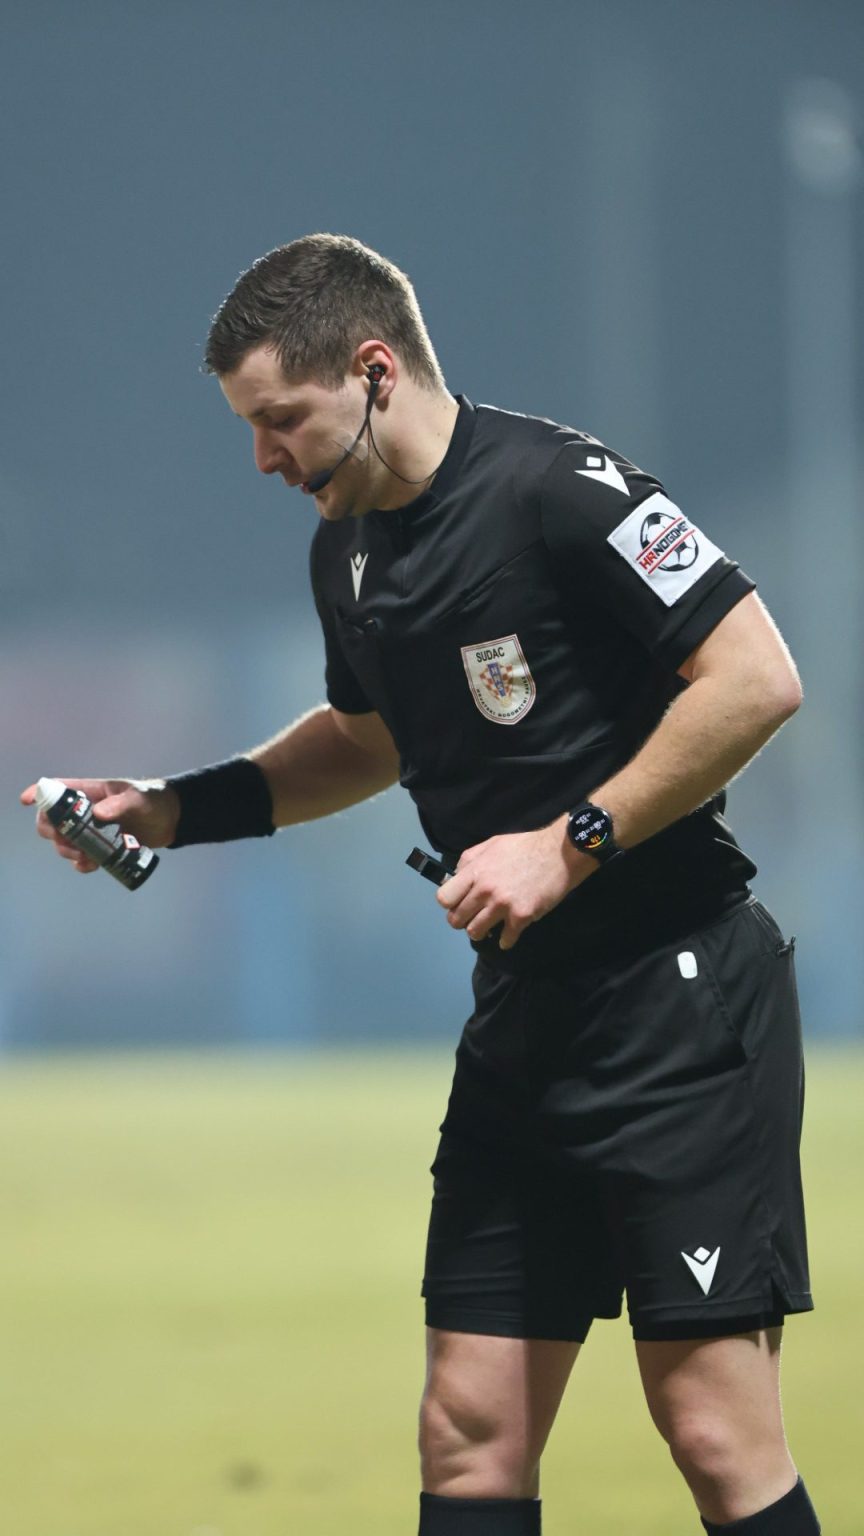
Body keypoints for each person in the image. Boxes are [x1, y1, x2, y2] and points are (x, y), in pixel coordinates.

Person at [22, 234, 820, 1536]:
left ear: (374, 371)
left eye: (282, 419)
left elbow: (756, 678)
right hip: (527, 1018)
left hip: (679, 1003)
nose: (264, 458)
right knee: (468, 1433)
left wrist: (569, 842)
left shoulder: (565, 490)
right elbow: (364, 742)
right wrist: (172, 807)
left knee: (715, 1435)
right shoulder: (347, 549)